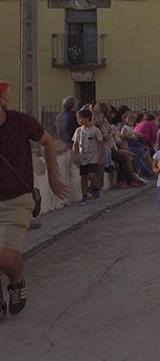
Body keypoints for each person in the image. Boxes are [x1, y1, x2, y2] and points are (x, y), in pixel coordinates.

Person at [0, 80, 70, 317]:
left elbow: (48, 142)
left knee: (5, 256)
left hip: (16, 199)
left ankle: (16, 282)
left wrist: (53, 177)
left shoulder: (21, 122)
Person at [71, 109, 103, 205]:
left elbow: (101, 143)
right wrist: (75, 155)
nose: (78, 121)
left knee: (91, 175)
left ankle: (96, 186)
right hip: (83, 157)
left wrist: (101, 156)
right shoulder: (79, 131)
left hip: (93, 157)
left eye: (80, 119)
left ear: (87, 118)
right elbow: (75, 144)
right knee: (83, 177)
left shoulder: (95, 130)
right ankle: (84, 196)